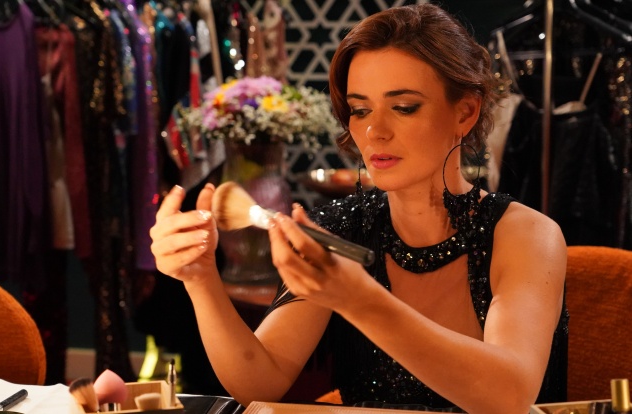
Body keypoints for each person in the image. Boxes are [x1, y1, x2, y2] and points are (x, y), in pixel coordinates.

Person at [149, 4, 568, 414]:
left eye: (403, 107)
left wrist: (360, 301)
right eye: (360, 109)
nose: (374, 130)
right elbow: (259, 382)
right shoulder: (339, 230)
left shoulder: (526, 235)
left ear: (466, 111)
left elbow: (509, 396)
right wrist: (201, 279)